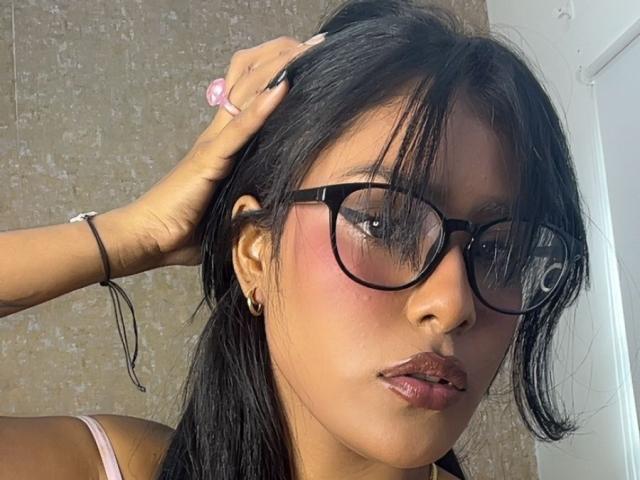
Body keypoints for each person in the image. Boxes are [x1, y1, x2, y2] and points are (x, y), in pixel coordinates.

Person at [0, 0, 589, 479]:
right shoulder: (102, 467)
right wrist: (137, 234)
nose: (454, 302)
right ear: (255, 256)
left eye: (499, 252)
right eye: (381, 224)